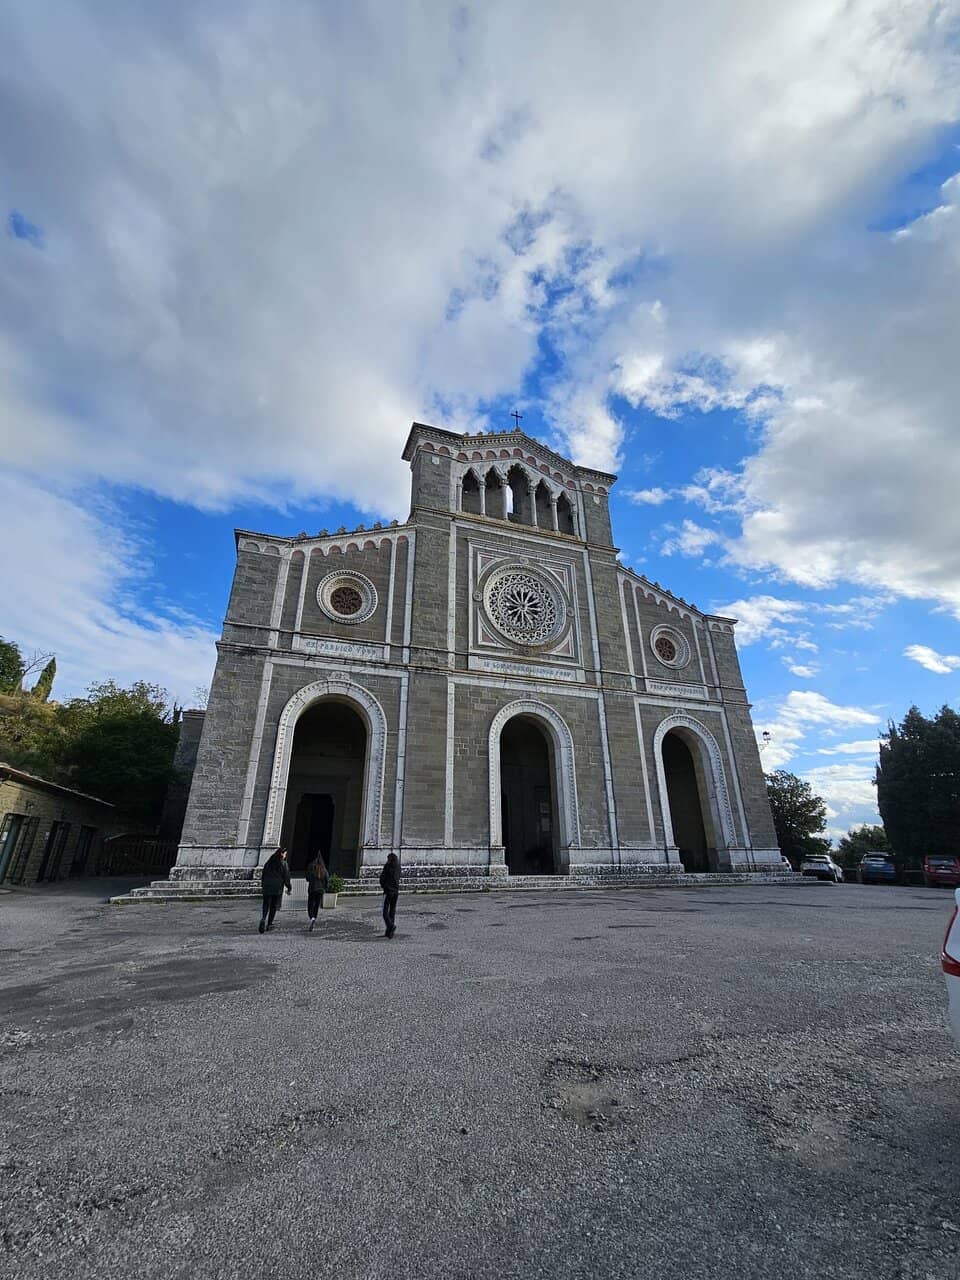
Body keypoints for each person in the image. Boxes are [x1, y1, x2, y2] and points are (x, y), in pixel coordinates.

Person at [258, 847, 291, 933]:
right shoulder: (283, 864)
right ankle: (269, 924)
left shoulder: (268, 863)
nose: (285, 855)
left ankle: (263, 919)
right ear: (281, 854)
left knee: (265, 905)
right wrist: (289, 887)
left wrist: (263, 885)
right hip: (277, 888)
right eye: (285, 854)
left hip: (267, 887)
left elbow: (263, 875)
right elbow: (286, 877)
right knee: (273, 906)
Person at [305, 851, 329, 932]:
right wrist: (325, 888)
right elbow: (327, 880)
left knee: (310, 905)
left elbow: (307, 878)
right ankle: (314, 918)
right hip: (320, 890)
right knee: (316, 906)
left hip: (312, 889)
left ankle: (311, 918)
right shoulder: (324, 869)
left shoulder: (311, 867)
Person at [379, 852, 400, 938]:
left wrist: (384, 886)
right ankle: (389, 932)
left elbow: (382, 878)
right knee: (392, 910)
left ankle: (390, 926)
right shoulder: (398, 867)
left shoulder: (387, 866)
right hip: (395, 891)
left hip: (388, 891)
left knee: (384, 911)